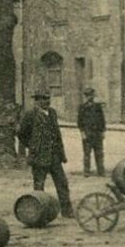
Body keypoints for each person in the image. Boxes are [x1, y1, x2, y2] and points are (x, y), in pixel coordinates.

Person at [17, 89, 73, 217]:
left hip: (54, 156)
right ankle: (38, 213)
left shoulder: (52, 113)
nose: (46, 101)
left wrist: (61, 153)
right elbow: (21, 133)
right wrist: (32, 146)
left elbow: (57, 134)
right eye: (42, 99)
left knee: (62, 183)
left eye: (47, 98)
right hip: (39, 156)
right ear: (36, 101)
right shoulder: (30, 114)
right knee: (39, 186)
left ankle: (67, 211)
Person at [77, 87, 107, 176]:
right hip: (87, 133)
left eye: (91, 95)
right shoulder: (82, 107)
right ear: (85, 96)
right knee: (87, 153)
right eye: (88, 95)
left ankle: (101, 171)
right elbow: (79, 121)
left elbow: (102, 120)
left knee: (99, 153)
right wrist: (82, 133)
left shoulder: (98, 107)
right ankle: (86, 171)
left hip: (97, 133)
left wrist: (103, 132)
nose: (90, 97)